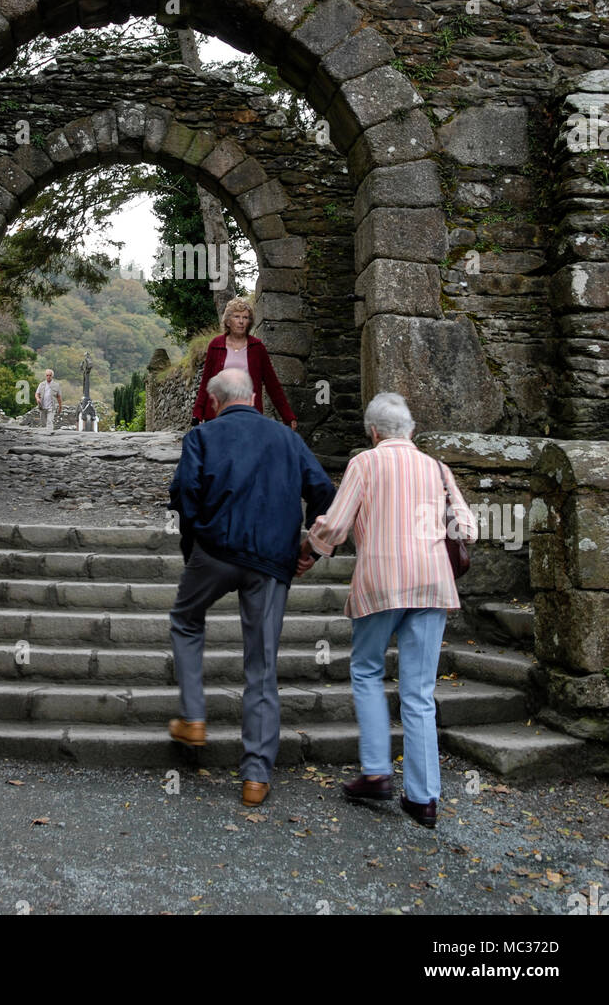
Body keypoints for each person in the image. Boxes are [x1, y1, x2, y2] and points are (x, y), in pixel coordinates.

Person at [298, 391, 477, 829]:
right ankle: (423, 799)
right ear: (411, 430)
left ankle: (377, 771)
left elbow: (336, 524)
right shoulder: (437, 467)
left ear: (373, 432)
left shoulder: (365, 462)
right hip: (433, 584)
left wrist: (309, 552)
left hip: (381, 582)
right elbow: (467, 528)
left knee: (366, 671)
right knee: (418, 693)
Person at [168, 368, 335, 807]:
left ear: (217, 402)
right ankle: (255, 777)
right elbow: (324, 493)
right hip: (271, 562)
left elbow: (184, 493)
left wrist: (195, 548)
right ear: (254, 396)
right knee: (261, 665)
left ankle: (193, 717)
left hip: (216, 550)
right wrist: (310, 549)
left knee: (186, 619)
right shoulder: (287, 439)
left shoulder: (202, 437)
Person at [191, 297, 297, 430]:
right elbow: (206, 382)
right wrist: (198, 413)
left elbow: (272, 385)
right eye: (236, 317)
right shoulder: (215, 345)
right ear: (228, 321)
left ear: (249, 322)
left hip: (249, 415)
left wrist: (288, 415)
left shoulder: (257, 348)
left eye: (245, 317)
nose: (241, 321)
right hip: (218, 415)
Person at [35, 367, 62, 432]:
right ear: (45, 376)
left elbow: (58, 397)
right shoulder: (41, 384)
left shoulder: (56, 385)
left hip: (51, 406)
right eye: (47, 375)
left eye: (50, 375)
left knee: (50, 420)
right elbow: (37, 394)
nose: (48, 377)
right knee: (43, 422)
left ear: (52, 376)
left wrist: (60, 406)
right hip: (42, 406)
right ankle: (45, 432)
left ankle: (50, 432)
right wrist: (38, 399)